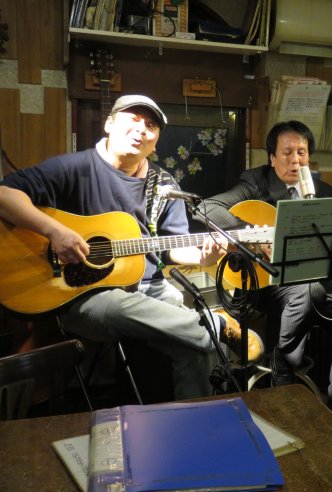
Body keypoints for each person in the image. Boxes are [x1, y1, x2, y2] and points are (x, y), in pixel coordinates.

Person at [0, 94, 243, 400]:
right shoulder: (74, 168)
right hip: (82, 294)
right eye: (133, 119)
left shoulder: (164, 186)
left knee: (197, 344)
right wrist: (55, 231)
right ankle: (214, 325)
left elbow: (170, 248)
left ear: (156, 142)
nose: (141, 129)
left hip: (150, 288)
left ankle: (196, 417)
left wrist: (205, 257)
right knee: (132, 309)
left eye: (151, 125)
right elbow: (5, 195)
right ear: (109, 124)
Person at [203, 120, 332, 439]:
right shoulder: (255, 181)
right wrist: (254, 236)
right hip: (263, 285)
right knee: (306, 291)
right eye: (287, 153)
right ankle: (283, 381)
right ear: (272, 157)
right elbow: (207, 207)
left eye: (302, 152)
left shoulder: (322, 192)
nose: (295, 160)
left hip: (312, 282)